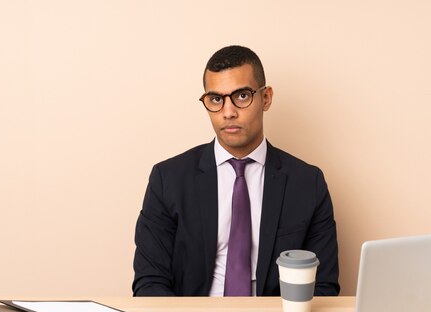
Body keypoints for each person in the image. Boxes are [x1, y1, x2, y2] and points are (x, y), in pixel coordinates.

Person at [132, 45, 340, 296]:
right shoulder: (168, 179)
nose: (228, 113)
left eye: (242, 96)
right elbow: (149, 284)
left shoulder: (308, 183)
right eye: (216, 99)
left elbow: (324, 286)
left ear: (266, 98)